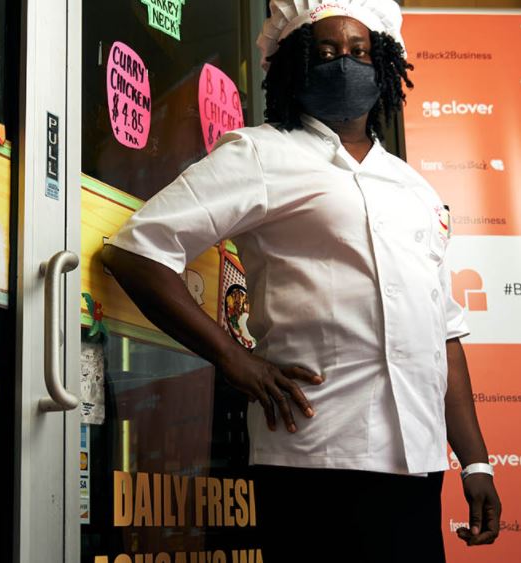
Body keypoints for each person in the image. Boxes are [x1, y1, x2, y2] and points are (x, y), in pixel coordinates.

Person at [101, 1, 501, 560]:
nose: (344, 63)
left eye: (359, 52)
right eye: (326, 52)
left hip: (418, 461)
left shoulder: (415, 189)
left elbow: (445, 337)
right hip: (316, 456)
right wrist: (235, 360)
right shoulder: (262, 154)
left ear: (383, 62)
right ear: (293, 64)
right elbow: (137, 253)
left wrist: (476, 460)